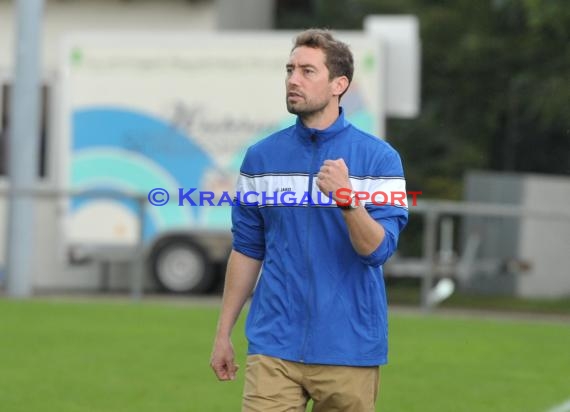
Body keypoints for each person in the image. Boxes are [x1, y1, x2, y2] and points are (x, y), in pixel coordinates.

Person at [210, 28, 408, 412]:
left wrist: (347, 199)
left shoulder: (380, 160)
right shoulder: (261, 158)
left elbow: (378, 250)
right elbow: (248, 250)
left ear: (339, 84)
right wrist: (223, 333)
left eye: (307, 71)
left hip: (348, 349)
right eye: (289, 70)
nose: (293, 80)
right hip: (273, 346)